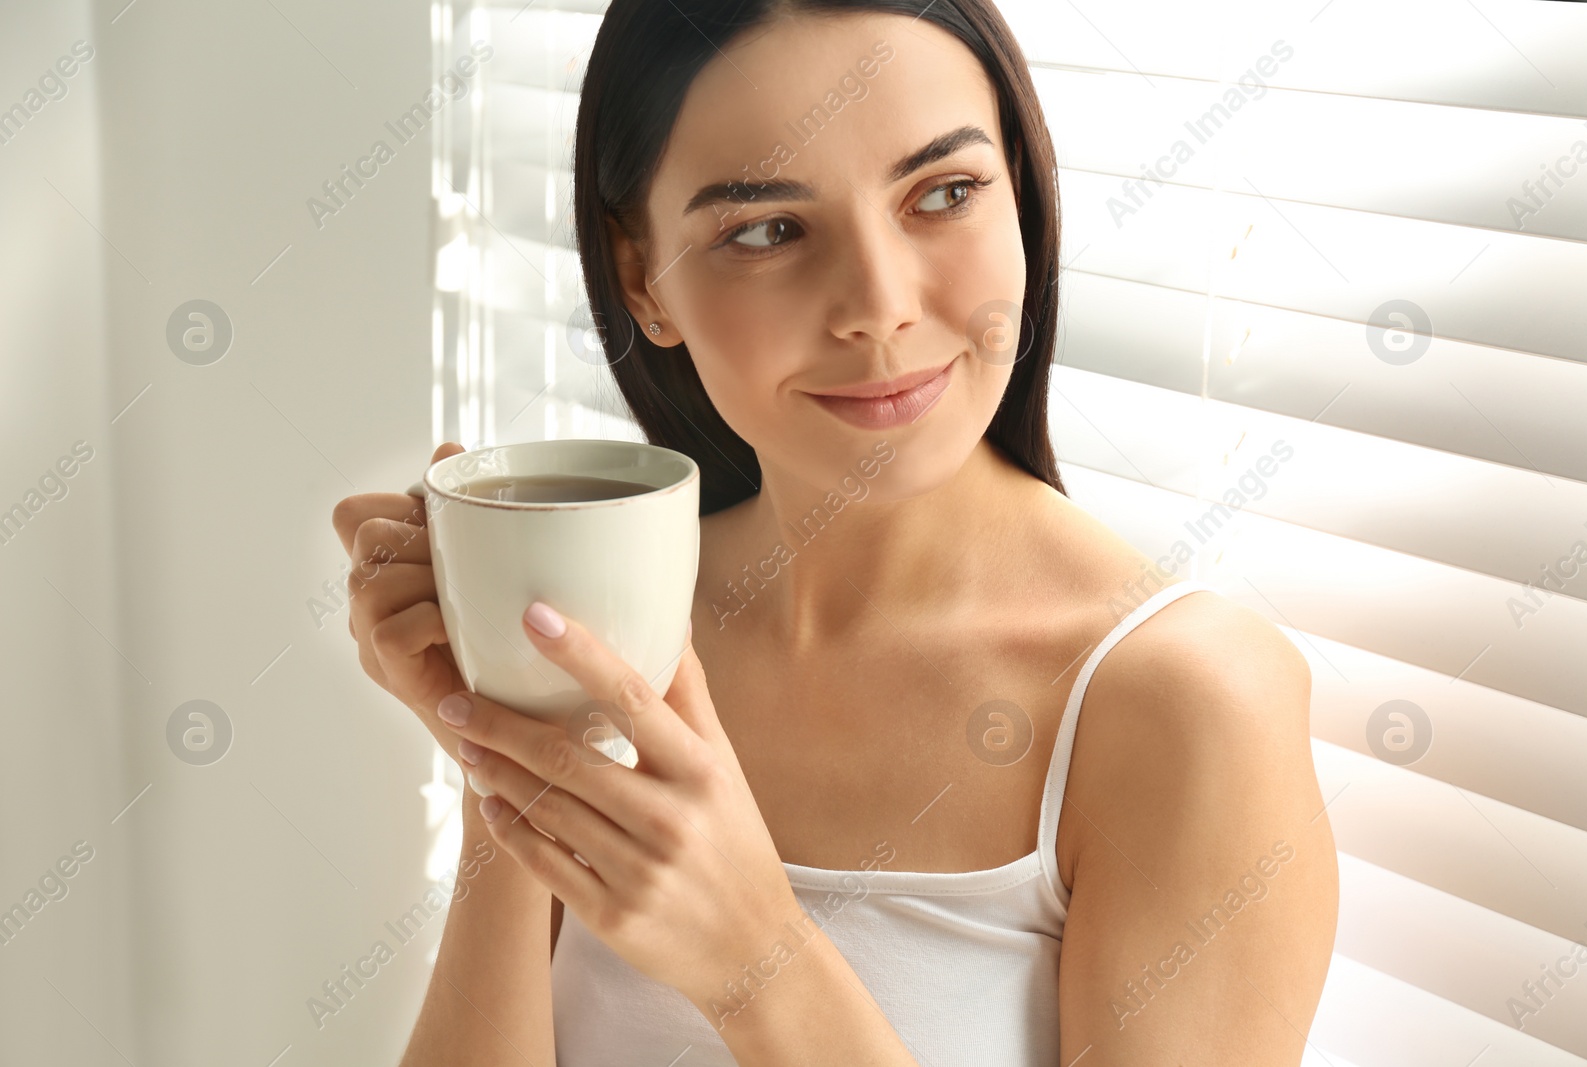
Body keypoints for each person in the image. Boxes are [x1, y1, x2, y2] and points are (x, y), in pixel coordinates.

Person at [331, 1, 1338, 1063]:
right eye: (767, 229)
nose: (879, 305)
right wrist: (502, 729)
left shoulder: (1182, 707)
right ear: (643, 281)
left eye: (943, 193)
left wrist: (755, 958)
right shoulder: (610, 627)